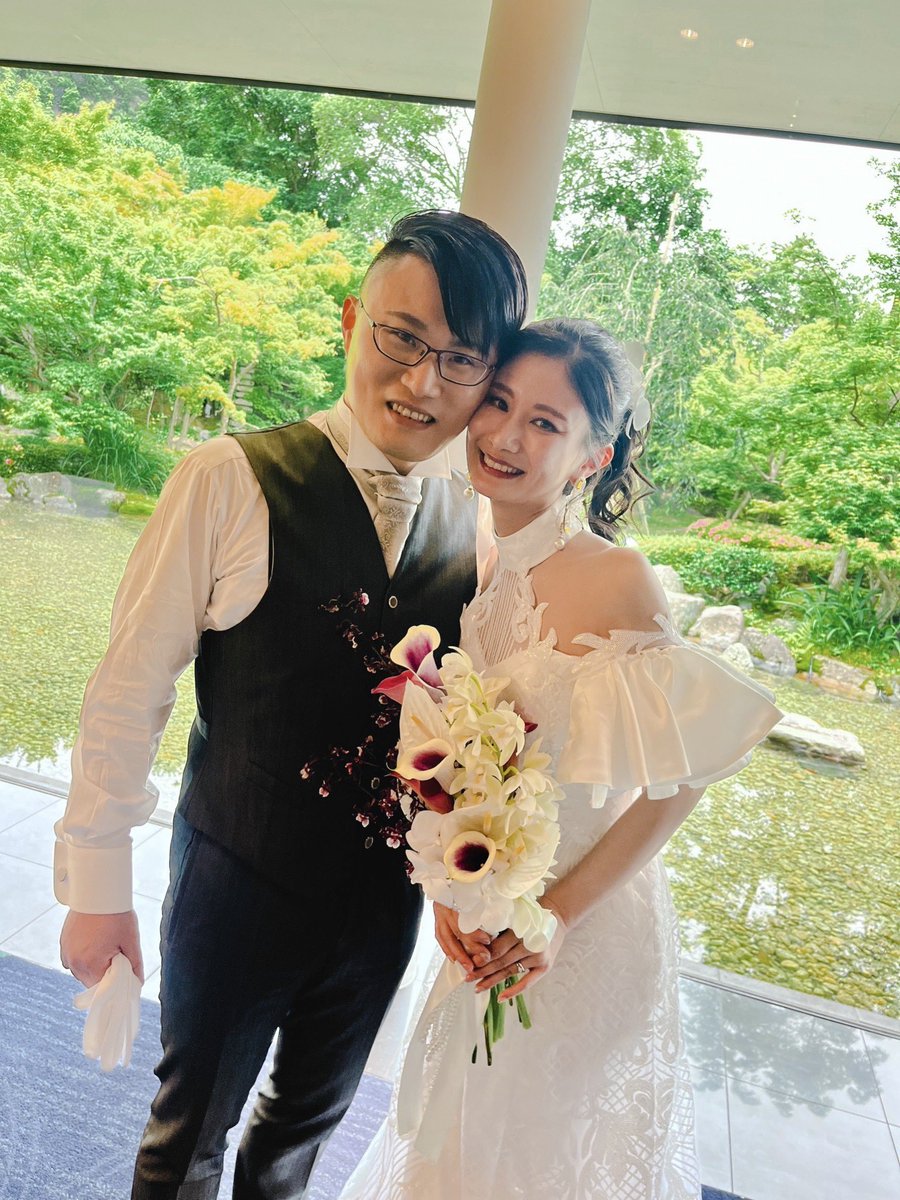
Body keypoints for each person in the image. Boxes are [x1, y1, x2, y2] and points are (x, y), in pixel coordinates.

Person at [54, 209, 528, 1199]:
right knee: (190, 1132)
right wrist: (96, 883)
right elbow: (129, 687)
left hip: (381, 908)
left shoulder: (474, 528)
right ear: (352, 320)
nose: (422, 383)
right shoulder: (230, 477)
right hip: (238, 878)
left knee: (303, 1134)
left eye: (460, 360)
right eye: (402, 338)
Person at [341, 318, 782, 1199]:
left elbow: (679, 784)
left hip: (582, 930)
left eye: (545, 422)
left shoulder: (615, 578)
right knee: (455, 1157)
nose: (506, 435)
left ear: (593, 457)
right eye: (499, 403)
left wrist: (555, 917)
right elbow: (457, 761)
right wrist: (452, 894)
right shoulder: (471, 548)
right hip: (489, 920)